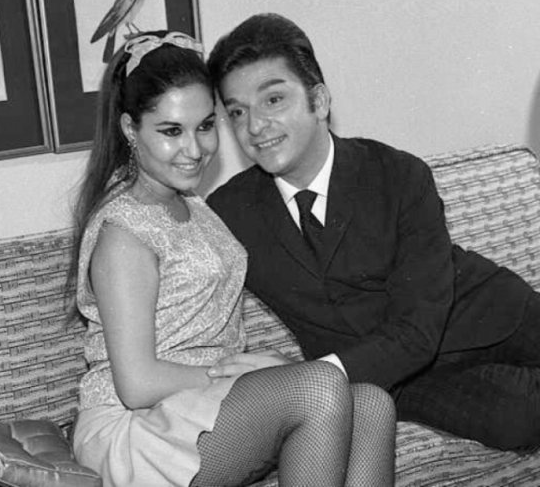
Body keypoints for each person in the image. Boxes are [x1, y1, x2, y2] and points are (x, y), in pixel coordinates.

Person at [205, 13, 540, 452]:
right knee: (522, 421)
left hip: (481, 314)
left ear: (318, 100)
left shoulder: (398, 175)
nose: (256, 126)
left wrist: (305, 376)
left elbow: (417, 330)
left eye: (274, 100)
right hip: (397, 372)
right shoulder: (230, 212)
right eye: (237, 112)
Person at [67, 29, 396, 487]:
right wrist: (240, 374)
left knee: (372, 403)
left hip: (198, 405)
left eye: (205, 126)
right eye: (171, 131)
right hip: (135, 427)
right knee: (318, 388)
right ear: (129, 129)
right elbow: (137, 383)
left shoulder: (195, 207)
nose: (194, 149)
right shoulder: (125, 232)